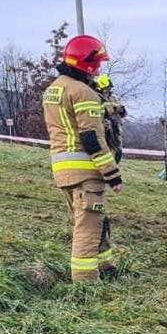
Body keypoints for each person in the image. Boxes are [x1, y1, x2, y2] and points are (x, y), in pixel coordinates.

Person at [42, 35, 123, 282]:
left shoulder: (54, 88)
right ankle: (86, 283)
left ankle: (107, 267)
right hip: (85, 170)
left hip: (63, 168)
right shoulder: (83, 92)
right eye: (96, 63)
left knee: (94, 221)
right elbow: (91, 138)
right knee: (87, 228)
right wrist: (112, 173)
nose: (98, 68)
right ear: (86, 63)